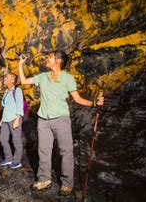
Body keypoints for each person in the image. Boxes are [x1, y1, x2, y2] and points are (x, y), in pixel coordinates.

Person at [18, 50, 104, 196]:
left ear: (57, 61)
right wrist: (20, 64)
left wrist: (94, 103)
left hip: (61, 120)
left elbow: (77, 99)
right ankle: (44, 179)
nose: (47, 58)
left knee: (66, 152)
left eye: (50, 57)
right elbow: (24, 81)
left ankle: (67, 183)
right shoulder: (43, 76)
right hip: (43, 120)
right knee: (44, 150)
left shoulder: (68, 78)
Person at [0, 72, 25, 169]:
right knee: (3, 139)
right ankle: (8, 158)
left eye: (7, 77)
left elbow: (19, 105)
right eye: (5, 77)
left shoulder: (17, 90)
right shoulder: (6, 91)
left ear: (12, 80)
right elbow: (5, 107)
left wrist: (17, 119)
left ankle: (17, 161)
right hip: (5, 119)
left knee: (16, 140)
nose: (4, 79)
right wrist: (2, 118)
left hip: (14, 118)